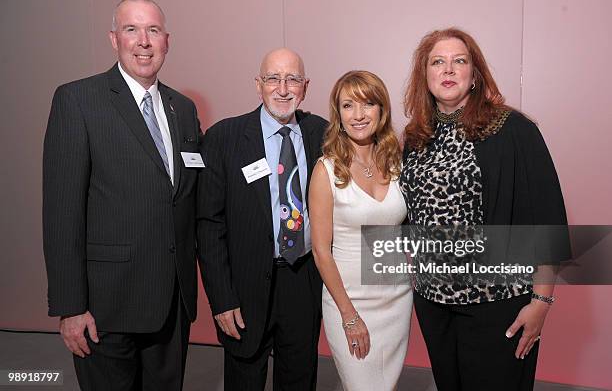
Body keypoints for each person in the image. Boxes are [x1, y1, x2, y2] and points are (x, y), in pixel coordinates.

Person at [43, 0, 202, 390]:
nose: (143, 41)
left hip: (171, 304)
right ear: (114, 40)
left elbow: (183, 198)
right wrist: (70, 307)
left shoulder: (183, 109)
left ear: (167, 41)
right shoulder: (78, 100)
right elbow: (62, 213)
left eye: (153, 31)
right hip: (105, 309)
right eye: (132, 30)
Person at [399, 27, 569, 391]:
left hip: (497, 304)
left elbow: (547, 219)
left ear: (474, 74)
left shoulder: (513, 130)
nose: (448, 70)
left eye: (459, 61)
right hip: (433, 304)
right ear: (424, 75)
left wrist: (541, 300)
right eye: (437, 62)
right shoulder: (415, 138)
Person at [197, 48, 327, 390]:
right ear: (259, 85)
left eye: (293, 80)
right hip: (244, 287)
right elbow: (209, 226)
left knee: (300, 379)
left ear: (306, 87)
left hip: (302, 281)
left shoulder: (323, 135)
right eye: (273, 78)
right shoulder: (224, 138)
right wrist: (222, 299)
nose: (282, 89)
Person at [309, 70, 413, 391]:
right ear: (338, 114)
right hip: (350, 302)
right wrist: (349, 315)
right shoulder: (326, 170)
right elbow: (321, 251)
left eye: (367, 104)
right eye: (348, 105)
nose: (358, 115)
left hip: (397, 298)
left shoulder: (398, 163)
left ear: (381, 111)